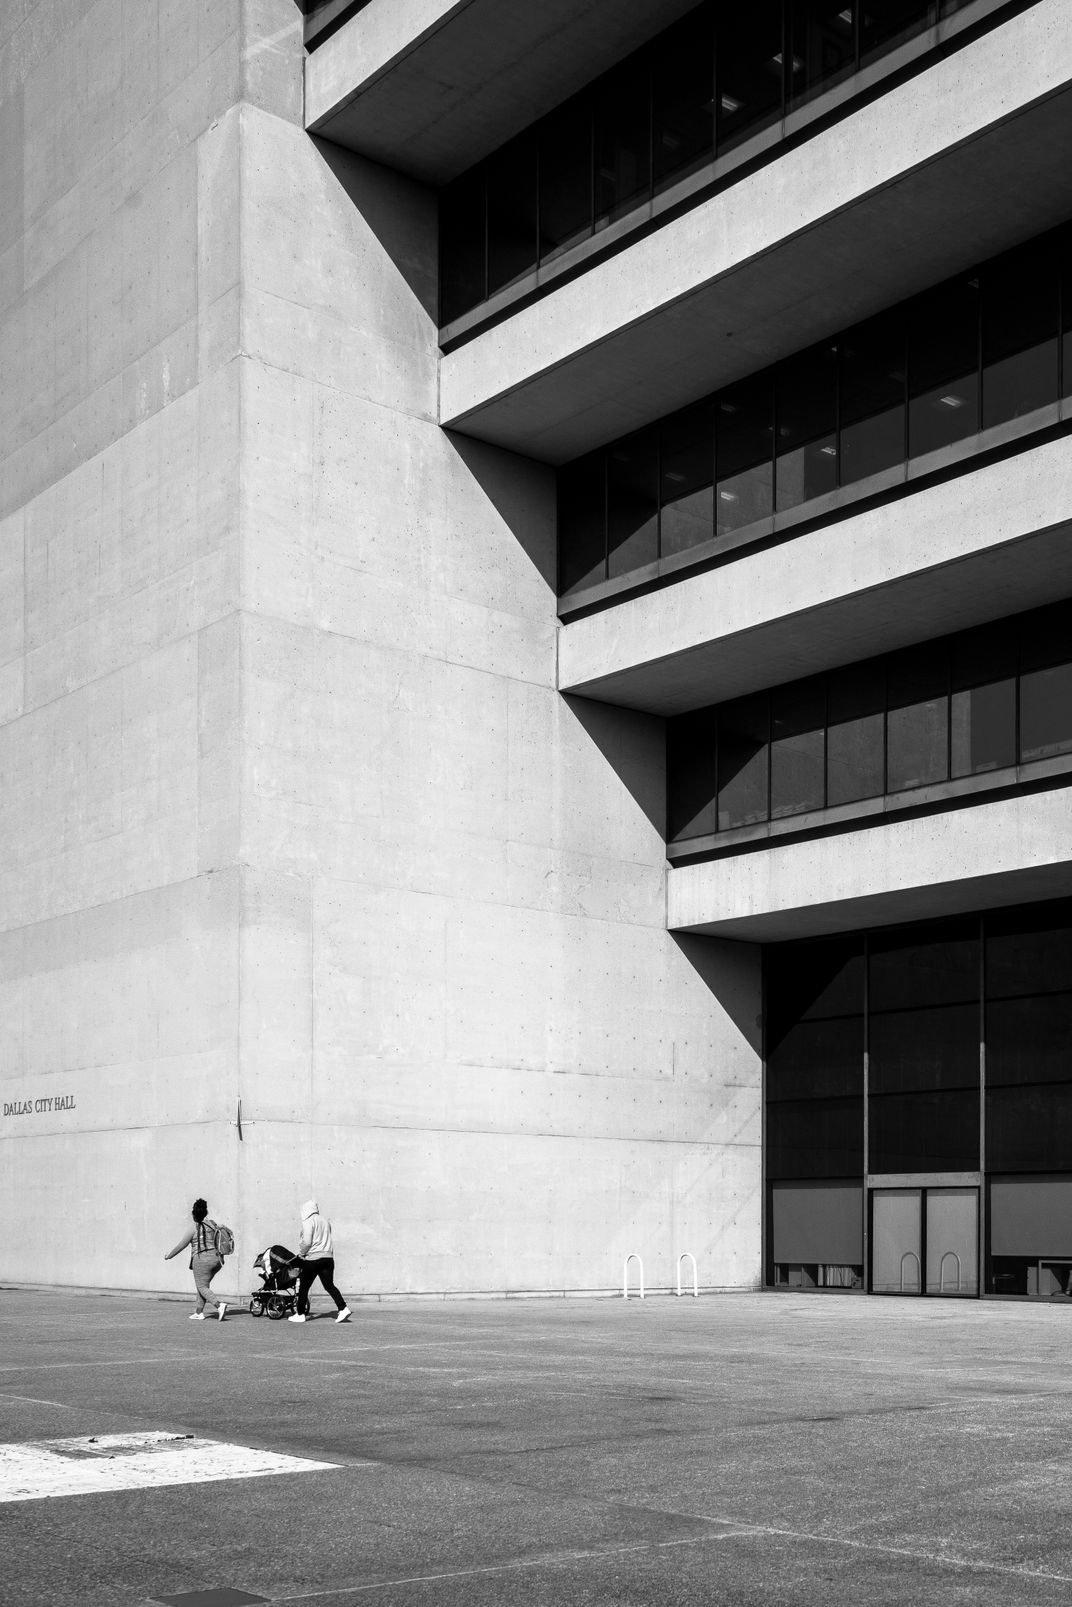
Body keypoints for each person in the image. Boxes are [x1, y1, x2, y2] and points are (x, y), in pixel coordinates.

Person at [288, 1199, 351, 1323]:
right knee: (329, 1286)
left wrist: (301, 1254)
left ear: (305, 1210)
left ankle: (300, 1314)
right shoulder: (325, 1221)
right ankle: (343, 1308)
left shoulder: (308, 1221)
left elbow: (307, 1242)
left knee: (303, 1288)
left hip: (313, 1259)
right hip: (328, 1259)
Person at [165, 1198, 227, 1321]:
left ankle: (219, 1305)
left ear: (194, 1214)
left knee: (202, 1287)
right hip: (217, 1260)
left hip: (202, 1260)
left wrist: (169, 1255)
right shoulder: (213, 1224)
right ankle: (199, 1312)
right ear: (206, 1212)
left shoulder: (194, 1228)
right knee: (203, 1285)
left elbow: (181, 1245)